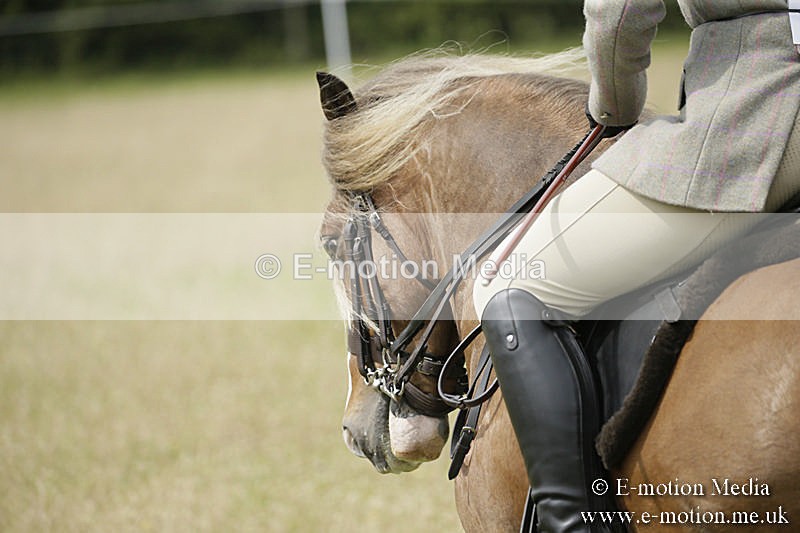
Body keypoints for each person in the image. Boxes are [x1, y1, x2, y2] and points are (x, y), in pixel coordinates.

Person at [473, 1, 800, 531]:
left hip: (763, 116)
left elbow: (621, 11)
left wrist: (615, 105)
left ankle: (571, 523)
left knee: (507, 279)